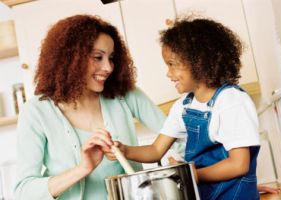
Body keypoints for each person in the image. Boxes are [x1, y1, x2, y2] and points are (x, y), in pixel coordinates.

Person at [105, 16, 263, 199]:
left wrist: (191, 175)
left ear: (200, 62)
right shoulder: (183, 106)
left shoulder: (231, 101)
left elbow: (239, 164)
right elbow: (156, 150)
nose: (168, 73)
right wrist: (125, 150)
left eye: (172, 65)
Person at [13, 14, 167, 200]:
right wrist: (83, 168)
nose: (108, 67)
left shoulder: (125, 94)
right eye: (97, 57)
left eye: (111, 58)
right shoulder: (36, 111)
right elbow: (23, 191)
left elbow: (177, 136)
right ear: (70, 58)